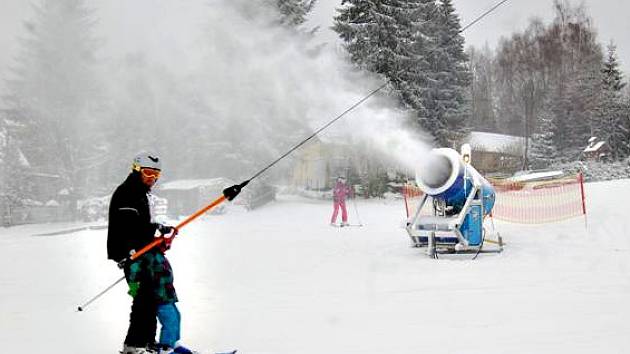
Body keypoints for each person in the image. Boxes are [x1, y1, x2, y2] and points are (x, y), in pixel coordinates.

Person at [107, 153, 193, 354]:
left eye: (156, 174)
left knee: (150, 300)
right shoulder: (127, 193)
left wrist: (160, 235)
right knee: (143, 300)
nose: (151, 178)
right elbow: (130, 228)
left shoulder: (140, 193)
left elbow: (142, 229)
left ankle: (148, 344)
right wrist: (156, 231)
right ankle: (134, 346)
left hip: (142, 254)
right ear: (136, 170)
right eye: (147, 173)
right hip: (132, 257)